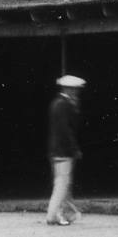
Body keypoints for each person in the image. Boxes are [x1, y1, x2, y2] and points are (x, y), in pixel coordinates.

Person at [44, 74, 85, 227]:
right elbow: (66, 130)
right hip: (63, 151)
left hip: (56, 150)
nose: (76, 93)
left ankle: (67, 213)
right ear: (68, 89)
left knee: (63, 184)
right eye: (74, 90)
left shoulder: (57, 103)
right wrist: (74, 149)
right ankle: (53, 215)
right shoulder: (64, 105)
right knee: (62, 185)